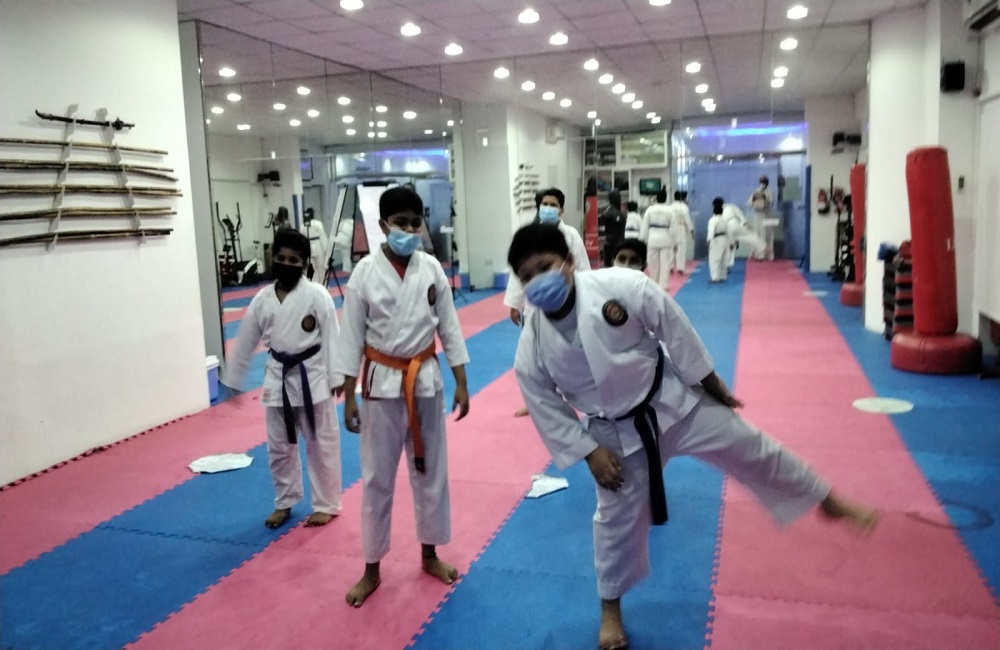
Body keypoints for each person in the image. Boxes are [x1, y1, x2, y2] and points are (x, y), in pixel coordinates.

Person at [506, 222, 879, 650]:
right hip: (613, 436)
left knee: (752, 446)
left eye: (545, 267)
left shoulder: (621, 285)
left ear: (569, 263)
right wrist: (590, 452)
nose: (538, 281)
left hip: (671, 400)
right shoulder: (532, 344)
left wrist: (709, 381)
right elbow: (544, 404)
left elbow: (673, 326)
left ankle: (825, 498)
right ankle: (610, 609)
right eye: (528, 276)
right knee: (612, 524)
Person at [333, 186, 471, 608]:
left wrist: (462, 381)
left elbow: (449, 327)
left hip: (425, 380)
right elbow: (350, 336)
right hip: (380, 385)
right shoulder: (364, 273)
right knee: (376, 477)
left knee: (431, 471)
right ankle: (371, 568)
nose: (409, 231)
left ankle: (430, 554)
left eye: (415, 223)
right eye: (400, 223)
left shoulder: (431, 269)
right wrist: (349, 395)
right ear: (382, 225)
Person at [223, 229, 344, 530]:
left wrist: (337, 376)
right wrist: (234, 378)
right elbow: (245, 340)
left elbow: (332, 337)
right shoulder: (261, 300)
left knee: (321, 443)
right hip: (277, 378)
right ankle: (284, 500)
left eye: (293, 260)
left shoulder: (317, 295)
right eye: (280, 258)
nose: (286, 264)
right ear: (271, 258)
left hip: (312, 376)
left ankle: (326, 503)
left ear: (304, 264)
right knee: (279, 446)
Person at [504, 187, 591, 417]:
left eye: (553, 204)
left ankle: (572, 396)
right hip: (535, 302)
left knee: (565, 353)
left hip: (565, 298)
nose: (548, 208)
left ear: (561, 209)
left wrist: (586, 295)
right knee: (534, 355)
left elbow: (582, 266)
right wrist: (515, 302)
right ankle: (537, 400)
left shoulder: (570, 234)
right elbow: (519, 273)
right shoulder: (529, 236)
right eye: (545, 204)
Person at [639, 188, 674, 291]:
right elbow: (674, 227)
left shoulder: (650, 210)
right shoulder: (670, 210)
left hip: (653, 237)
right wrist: (675, 241)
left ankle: (654, 283)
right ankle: (664, 285)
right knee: (665, 263)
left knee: (653, 263)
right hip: (665, 237)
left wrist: (642, 239)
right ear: (665, 198)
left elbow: (644, 226)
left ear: (656, 198)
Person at [723, 199, 767, 269]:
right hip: (734, 224)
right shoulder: (731, 206)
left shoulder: (719, 211)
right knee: (750, 236)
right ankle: (763, 247)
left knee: (731, 246)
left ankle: (727, 264)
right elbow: (740, 214)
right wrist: (744, 223)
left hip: (726, 229)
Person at [748, 175, 774, 260]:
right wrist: (755, 200)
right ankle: (758, 254)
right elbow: (749, 203)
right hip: (758, 216)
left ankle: (769, 255)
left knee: (768, 235)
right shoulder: (756, 191)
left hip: (767, 216)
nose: (763, 184)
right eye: (761, 182)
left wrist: (764, 199)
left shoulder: (770, 192)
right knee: (758, 235)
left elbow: (771, 202)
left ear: (767, 183)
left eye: (764, 182)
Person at [599, 190, 627, 268]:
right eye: (618, 197)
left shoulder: (616, 212)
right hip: (614, 243)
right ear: (613, 198)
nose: (620, 199)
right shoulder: (611, 213)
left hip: (617, 242)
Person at [300, 207, 329, 282]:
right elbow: (322, 237)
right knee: (321, 267)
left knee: (312, 268)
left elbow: (302, 238)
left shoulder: (303, 226)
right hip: (318, 246)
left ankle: (313, 283)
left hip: (309, 247)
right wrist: (326, 249)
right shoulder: (318, 224)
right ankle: (322, 283)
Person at [707, 197, 731, 283]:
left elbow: (711, 231)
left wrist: (709, 240)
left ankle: (715, 277)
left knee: (714, 259)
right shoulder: (725, 219)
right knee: (724, 259)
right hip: (725, 239)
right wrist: (731, 242)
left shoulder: (712, 220)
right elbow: (729, 231)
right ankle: (723, 276)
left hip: (716, 239)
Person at [670, 191, 694, 274]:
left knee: (671, 247)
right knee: (681, 247)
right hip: (681, 227)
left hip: (671, 227)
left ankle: (670, 267)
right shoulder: (684, 207)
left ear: (674, 197)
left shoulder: (670, 207)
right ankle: (680, 267)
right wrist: (691, 229)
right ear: (680, 198)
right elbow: (687, 219)